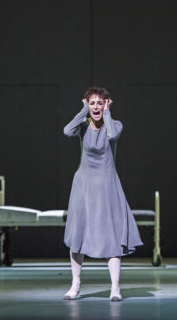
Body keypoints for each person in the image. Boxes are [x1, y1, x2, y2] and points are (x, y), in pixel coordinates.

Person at [62, 87, 143, 301]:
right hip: (84, 185)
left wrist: (106, 113)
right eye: (92, 103)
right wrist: (82, 109)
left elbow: (113, 135)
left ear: (107, 103)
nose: (96, 107)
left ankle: (115, 287)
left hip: (107, 185)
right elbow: (66, 131)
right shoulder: (82, 126)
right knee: (78, 234)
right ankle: (75, 284)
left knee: (112, 236)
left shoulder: (114, 125)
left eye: (100, 103)